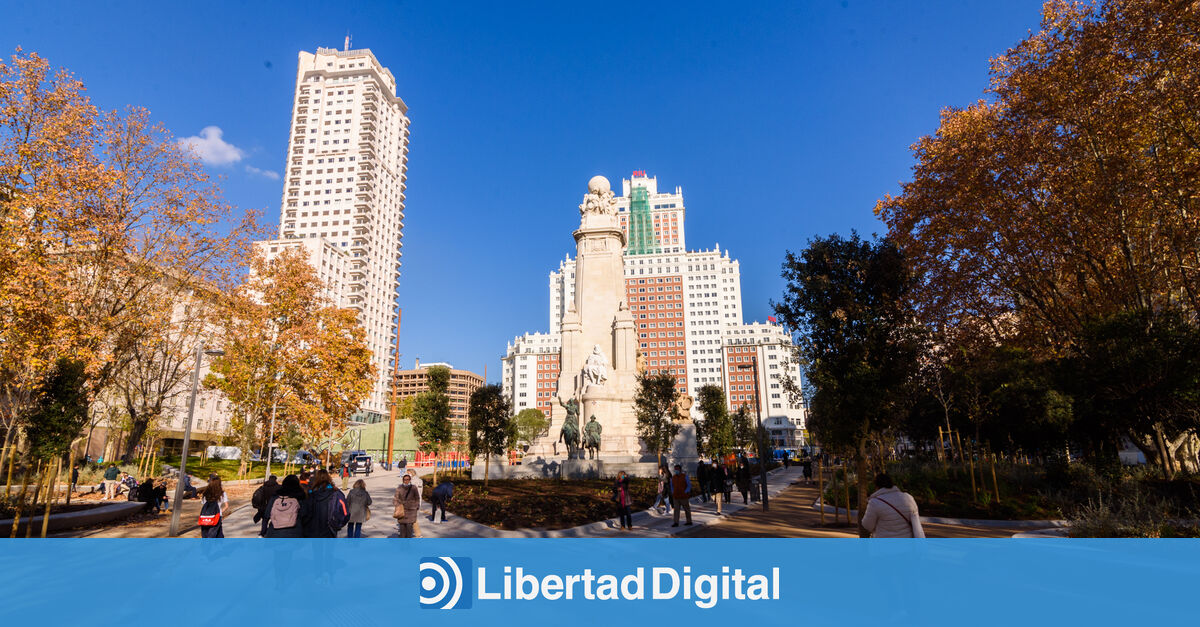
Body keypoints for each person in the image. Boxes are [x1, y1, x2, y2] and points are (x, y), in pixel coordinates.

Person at [861, 473, 925, 538]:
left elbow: (867, 526)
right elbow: (915, 520)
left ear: (876, 486)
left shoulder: (874, 502)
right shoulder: (909, 498)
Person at [301, 469, 348, 538]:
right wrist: (338, 524)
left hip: (314, 529)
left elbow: (305, 511)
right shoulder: (336, 493)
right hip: (330, 528)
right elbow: (345, 512)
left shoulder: (310, 493)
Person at [393, 473, 420, 538]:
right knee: (402, 528)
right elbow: (395, 499)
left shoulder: (414, 488)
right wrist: (398, 505)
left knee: (409, 527)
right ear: (403, 480)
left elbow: (417, 498)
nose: (406, 481)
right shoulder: (399, 488)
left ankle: (408, 543)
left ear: (410, 480)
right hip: (402, 511)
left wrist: (416, 506)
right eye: (405, 479)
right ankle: (403, 544)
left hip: (411, 511)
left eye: (408, 479)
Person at [406, 469, 424, 537]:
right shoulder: (419, 480)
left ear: (411, 473)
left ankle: (418, 534)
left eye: (408, 473)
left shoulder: (413, 481)